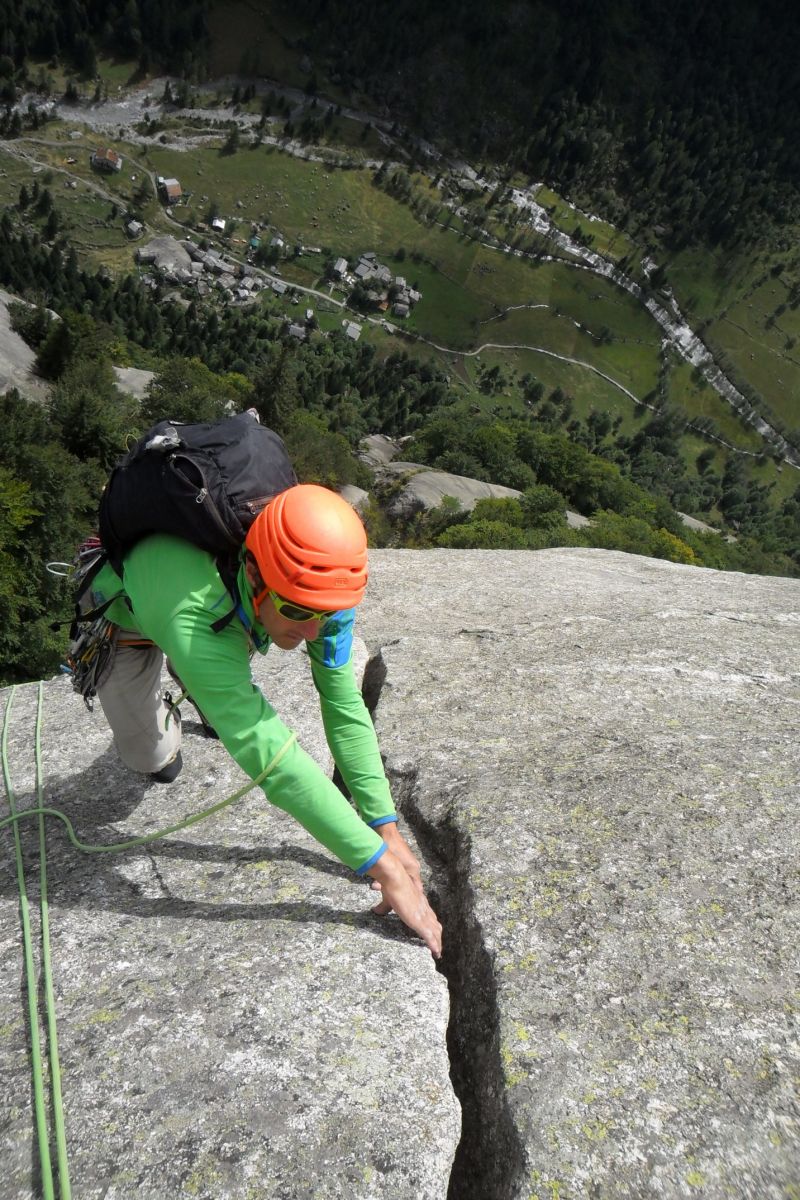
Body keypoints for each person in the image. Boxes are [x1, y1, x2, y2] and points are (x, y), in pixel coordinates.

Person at [87, 482, 442, 958]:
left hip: (221, 614)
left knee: (235, 654)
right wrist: (385, 869)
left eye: (326, 614)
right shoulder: (190, 612)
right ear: (254, 573)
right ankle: (194, 674)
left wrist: (384, 826)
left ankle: (207, 679)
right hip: (134, 617)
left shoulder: (320, 583)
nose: (315, 630)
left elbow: (343, 704)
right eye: (298, 610)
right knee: (151, 758)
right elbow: (274, 760)